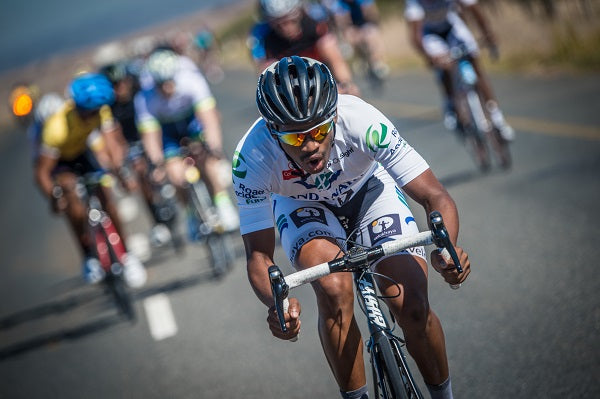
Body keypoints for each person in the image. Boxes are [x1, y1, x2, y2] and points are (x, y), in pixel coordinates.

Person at [233, 56, 470, 399]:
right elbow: (258, 256)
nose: (310, 145)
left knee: (413, 306)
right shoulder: (251, 157)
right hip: (303, 206)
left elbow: (434, 195)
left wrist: (448, 249)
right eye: (295, 138)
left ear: (334, 117)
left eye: (318, 130)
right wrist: (278, 305)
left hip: (368, 192)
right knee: (333, 289)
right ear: (273, 132)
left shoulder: (361, 119)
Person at [34, 73, 147, 287]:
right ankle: (88, 256)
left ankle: (126, 256)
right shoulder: (55, 129)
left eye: (96, 111)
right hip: (61, 161)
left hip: (85, 153)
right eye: (88, 112)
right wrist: (53, 196)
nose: (92, 116)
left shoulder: (100, 110)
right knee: (71, 200)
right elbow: (41, 172)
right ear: (77, 107)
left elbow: (111, 145)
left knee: (108, 201)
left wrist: (120, 173)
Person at [134, 49, 239, 233]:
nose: (167, 88)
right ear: (154, 83)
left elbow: (209, 119)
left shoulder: (191, 82)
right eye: (161, 84)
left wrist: (214, 147)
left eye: (169, 82)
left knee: (206, 159)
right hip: (168, 131)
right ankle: (191, 213)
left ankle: (222, 202)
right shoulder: (144, 98)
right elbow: (151, 137)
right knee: (175, 175)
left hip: (192, 122)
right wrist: (157, 163)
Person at [404, 0, 515, 141]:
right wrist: (430, 57)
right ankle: (451, 104)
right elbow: (415, 36)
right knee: (445, 67)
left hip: (452, 27)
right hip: (431, 34)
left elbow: (474, 10)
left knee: (475, 64)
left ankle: (497, 118)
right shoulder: (414, 2)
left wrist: (488, 34)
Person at [248, 0, 360, 95]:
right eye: (278, 23)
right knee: (268, 67)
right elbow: (261, 68)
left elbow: (334, 50)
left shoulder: (315, 16)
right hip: (288, 72)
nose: (286, 27)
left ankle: (347, 85)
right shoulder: (260, 33)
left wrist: (345, 85)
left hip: (318, 61)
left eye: (290, 20)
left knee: (327, 44)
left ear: (299, 12)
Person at [324, 0, 389, 82]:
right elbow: (342, 23)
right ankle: (361, 59)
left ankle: (377, 62)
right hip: (351, 27)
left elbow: (373, 16)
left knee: (371, 34)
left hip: (365, 24)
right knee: (350, 35)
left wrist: (367, 10)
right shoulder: (339, 4)